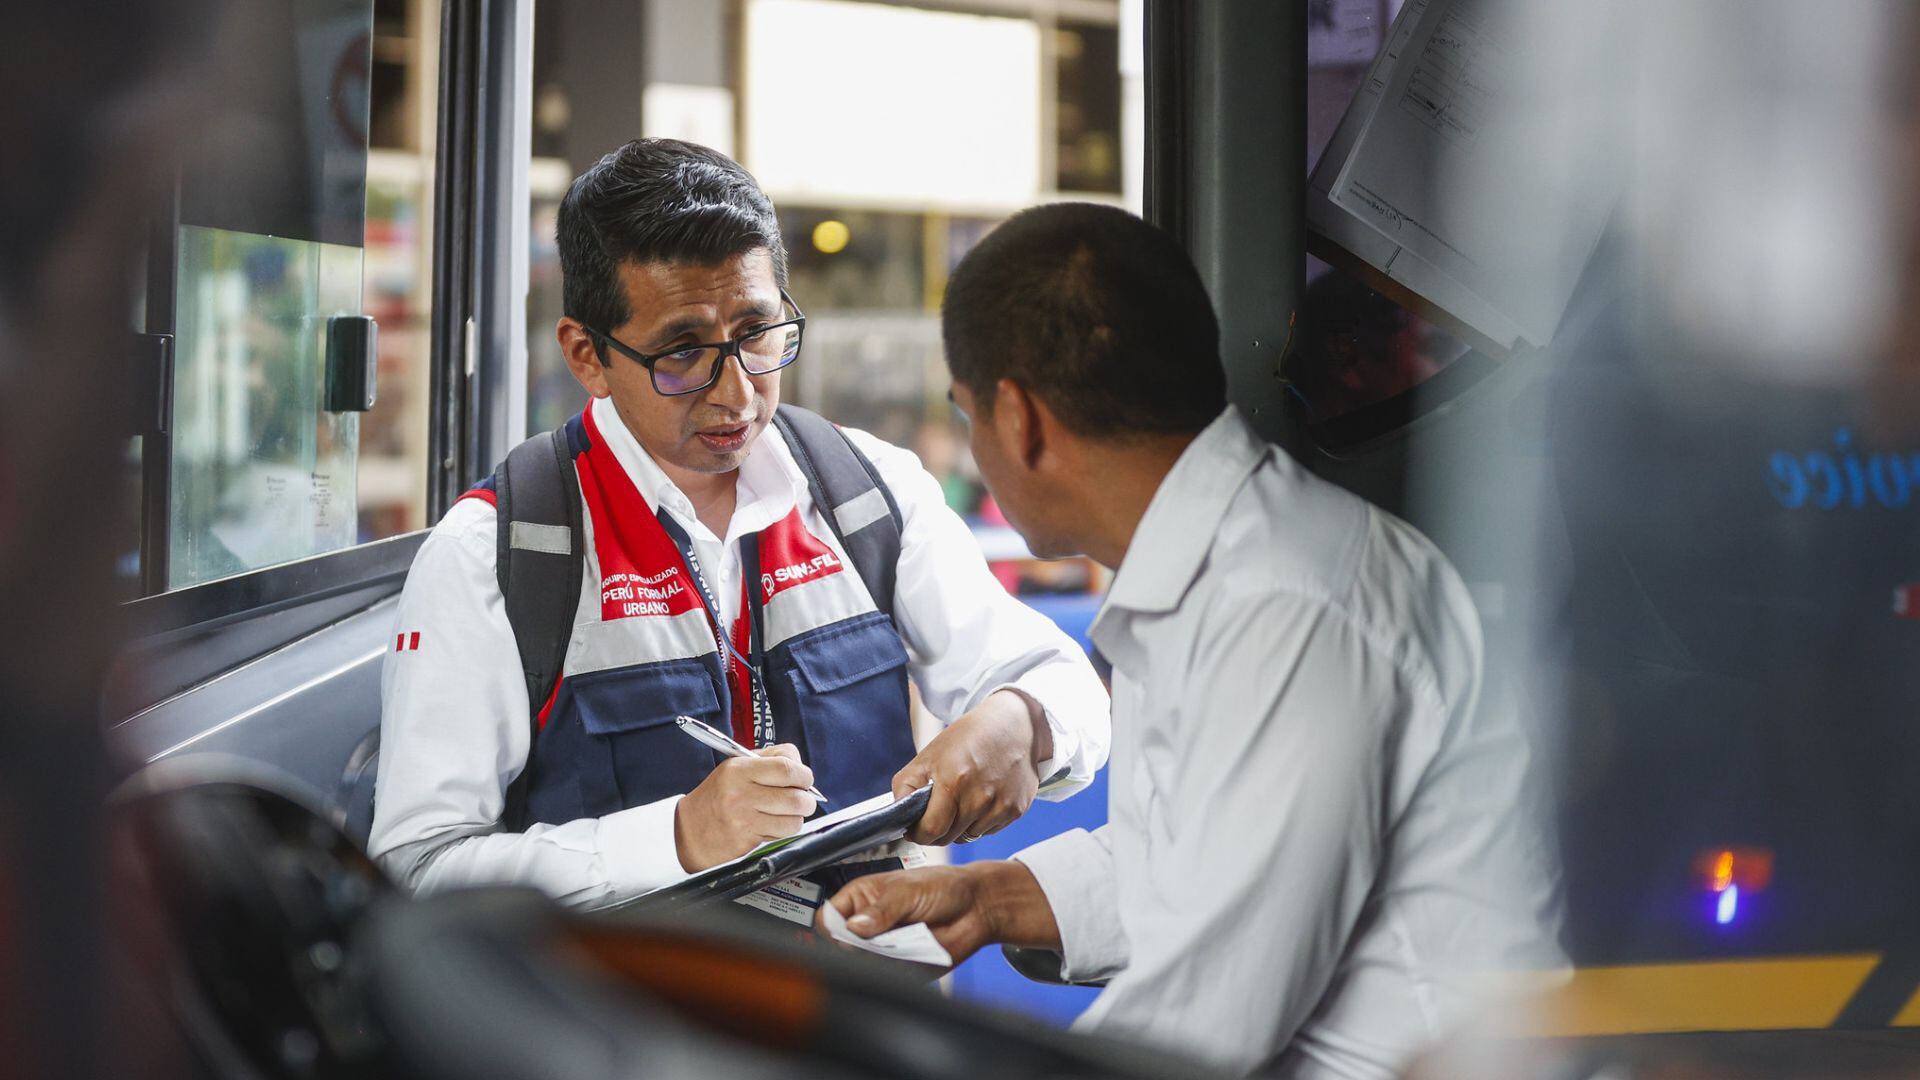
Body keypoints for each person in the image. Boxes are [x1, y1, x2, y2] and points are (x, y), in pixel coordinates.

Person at [820, 203, 1563, 1077]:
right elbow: (1201, 864)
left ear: (1018, 419)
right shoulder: (1208, 572)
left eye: (969, 416)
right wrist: (983, 899)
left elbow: (1203, 1013)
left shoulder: (1284, 608)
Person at [369, 140, 1110, 906]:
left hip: (859, 968)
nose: (736, 393)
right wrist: (678, 837)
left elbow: (1064, 682)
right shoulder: (496, 554)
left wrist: (1021, 721)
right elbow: (418, 869)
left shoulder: (866, 493)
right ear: (586, 355)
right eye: (682, 352)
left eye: (757, 333)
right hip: (623, 984)